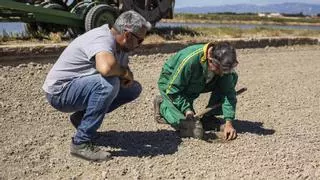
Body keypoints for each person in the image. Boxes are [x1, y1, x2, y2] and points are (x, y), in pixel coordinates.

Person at [42, 10, 151, 161]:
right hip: (59, 92)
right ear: (127, 35)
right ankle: (81, 143)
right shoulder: (102, 38)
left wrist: (126, 75)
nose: (140, 45)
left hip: (76, 87)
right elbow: (106, 68)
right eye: (139, 40)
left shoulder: (122, 48)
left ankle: (82, 120)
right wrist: (123, 73)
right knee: (107, 84)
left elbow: (121, 71)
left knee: (132, 89)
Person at [154, 42, 239, 141]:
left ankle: (208, 118)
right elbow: (173, 90)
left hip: (199, 81)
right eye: (219, 70)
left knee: (231, 78)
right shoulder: (189, 60)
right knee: (191, 129)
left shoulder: (221, 68)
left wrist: (229, 123)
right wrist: (187, 110)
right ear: (211, 60)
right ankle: (162, 106)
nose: (221, 74)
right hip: (172, 84)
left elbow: (228, 93)